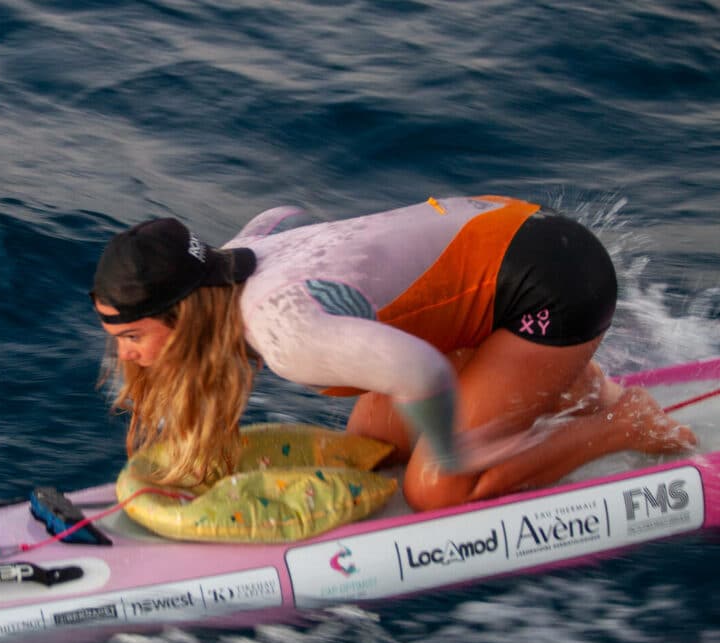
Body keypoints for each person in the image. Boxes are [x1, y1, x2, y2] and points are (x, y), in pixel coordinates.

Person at [90, 195, 698, 511]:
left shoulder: (283, 335)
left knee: (437, 487)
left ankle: (622, 422)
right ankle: (565, 386)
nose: (131, 359)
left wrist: (462, 455)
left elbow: (423, 373)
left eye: (132, 338)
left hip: (556, 283)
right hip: (509, 232)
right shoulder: (222, 270)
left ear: (186, 317)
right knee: (378, 442)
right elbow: (281, 218)